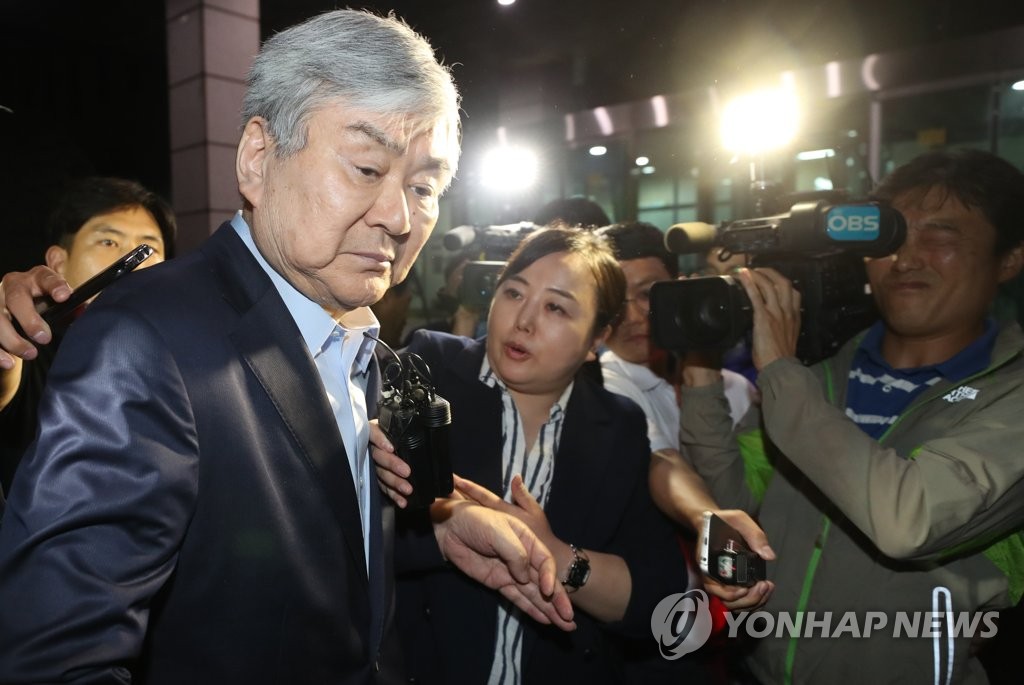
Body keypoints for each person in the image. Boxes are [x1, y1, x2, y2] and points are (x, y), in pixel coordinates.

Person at [0, 10, 573, 683]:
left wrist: (434, 535)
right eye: (367, 167)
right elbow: (55, 657)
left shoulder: (362, 346)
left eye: (424, 187)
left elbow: (276, 556)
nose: (400, 217)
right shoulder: (145, 339)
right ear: (257, 158)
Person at [679, 148, 1024, 683]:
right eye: (888, 238)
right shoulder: (821, 375)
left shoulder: (1010, 397)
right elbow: (734, 504)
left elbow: (908, 521)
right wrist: (699, 363)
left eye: (939, 238)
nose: (904, 259)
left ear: (1010, 260)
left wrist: (781, 371)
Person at [373, 227, 688, 684]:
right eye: (514, 292)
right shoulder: (426, 370)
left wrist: (557, 557)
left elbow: (654, 601)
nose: (523, 320)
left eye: (556, 307)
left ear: (597, 338)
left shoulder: (617, 426)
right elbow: (347, 524)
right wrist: (442, 528)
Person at [0, 175, 176, 493]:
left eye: (148, 248)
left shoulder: (184, 362)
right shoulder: (32, 353)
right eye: (108, 242)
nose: (131, 261)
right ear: (58, 262)